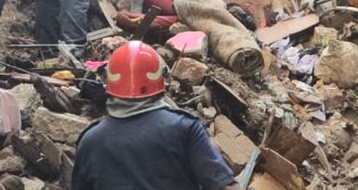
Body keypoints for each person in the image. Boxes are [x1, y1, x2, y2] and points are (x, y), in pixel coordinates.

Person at [72, 41, 240, 190]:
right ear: (161, 79)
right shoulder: (184, 128)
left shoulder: (90, 142)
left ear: (108, 84)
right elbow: (224, 186)